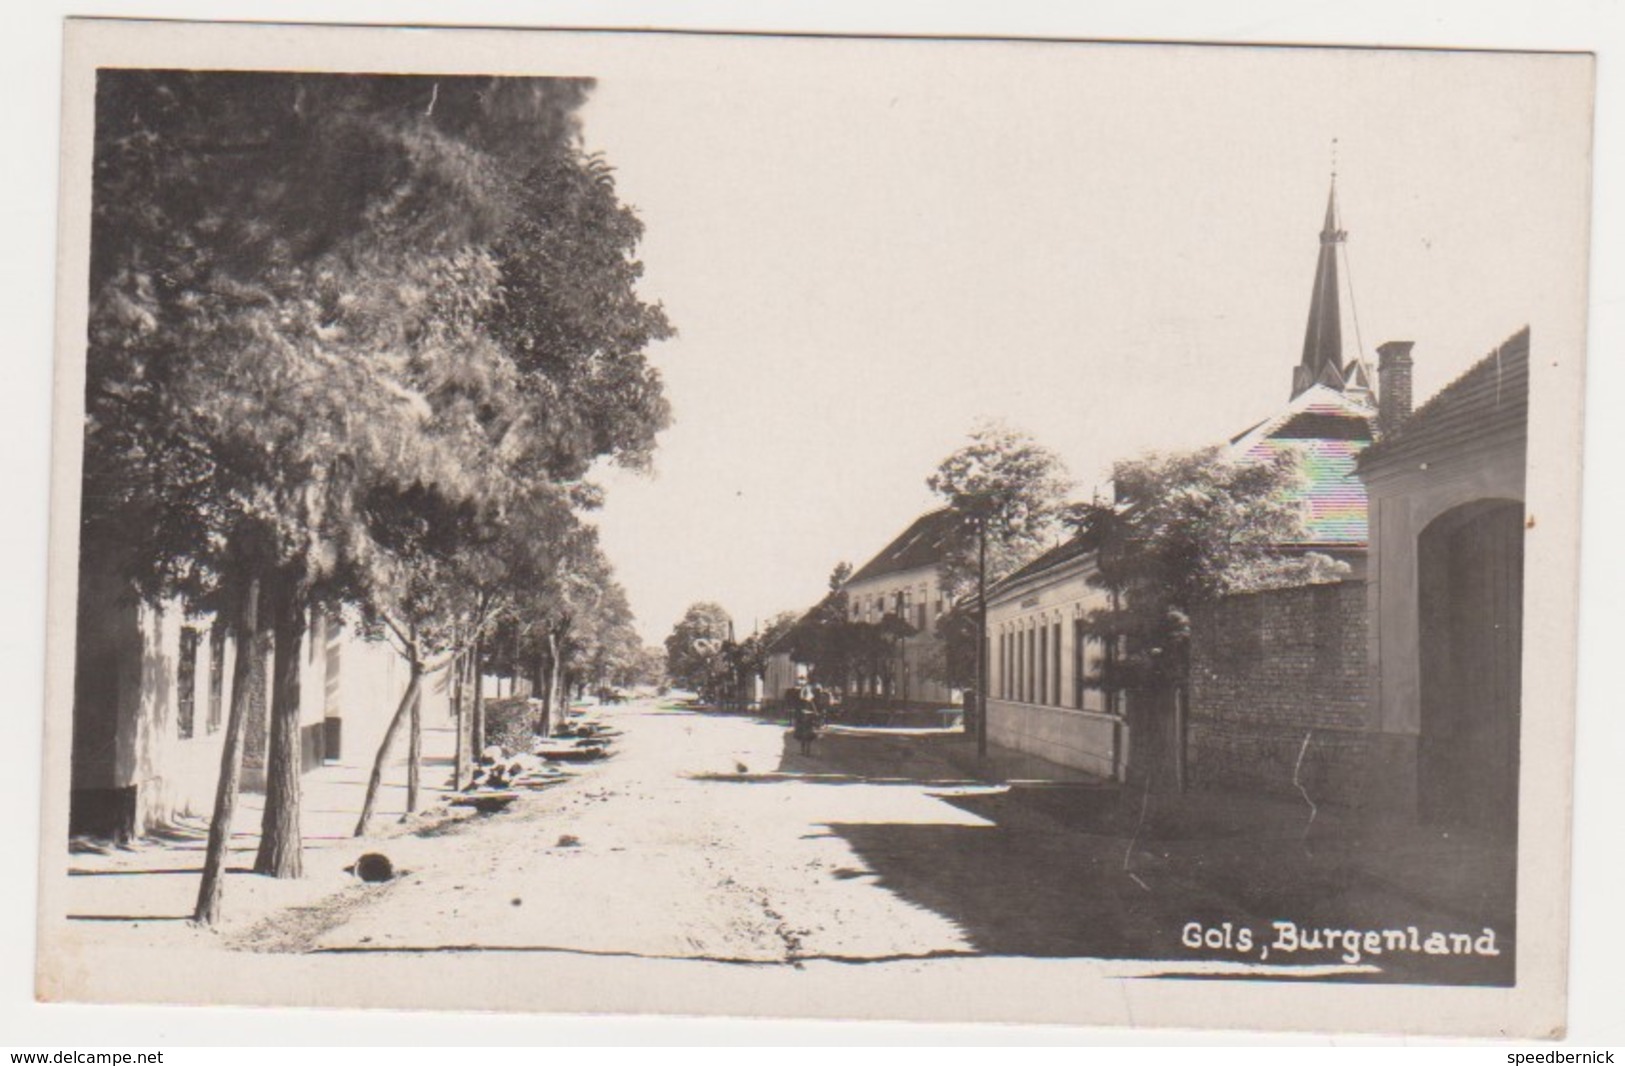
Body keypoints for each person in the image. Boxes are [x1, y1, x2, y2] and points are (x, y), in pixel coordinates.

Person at [791, 680, 818, 756]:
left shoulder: (806, 701)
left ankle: (805, 751)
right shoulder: (809, 702)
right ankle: (805, 751)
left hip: (805, 720)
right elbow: (815, 711)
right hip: (806, 720)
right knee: (806, 736)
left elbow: (814, 711)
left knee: (805, 736)